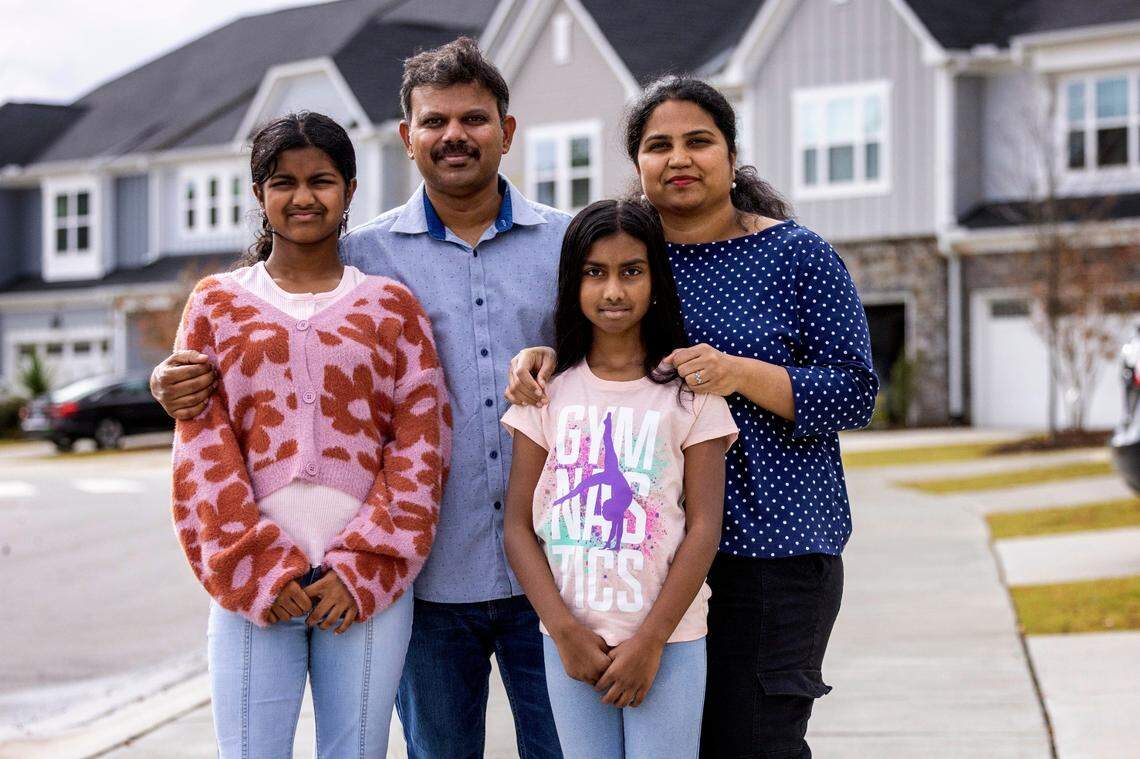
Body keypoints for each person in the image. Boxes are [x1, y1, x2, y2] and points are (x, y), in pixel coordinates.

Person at [151, 38, 566, 758]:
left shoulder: (562, 247)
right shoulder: (340, 269)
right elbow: (217, 420)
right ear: (407, 139)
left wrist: (365, 561)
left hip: (536, 571)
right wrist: (172, 381)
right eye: (435, 122)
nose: (454, 136)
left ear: (507, 129)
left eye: (473, 119)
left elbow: (424, 436)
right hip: (415, 583)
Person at [507, 76, 879, 758]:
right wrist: (541, 355)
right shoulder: (631, 257)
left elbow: (855, 392)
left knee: (753, 744)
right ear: (638, 164)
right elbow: (594, 351)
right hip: (639, 566)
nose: (679, 157)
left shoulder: (797, 255)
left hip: (771, 552)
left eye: (698, 141)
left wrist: (739, 373)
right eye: (659, 145)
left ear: (731, 155)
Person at [169, 111, 450, 758]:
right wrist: (260, 566)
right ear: (258, 194)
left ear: (350, 190)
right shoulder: (215, 304)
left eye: (321, 180)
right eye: (282, 182)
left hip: (364, 585)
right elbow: (202, 451)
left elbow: (421, 442)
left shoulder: (390, 307)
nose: (302, 198)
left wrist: (362, 566)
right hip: (253, 581)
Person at [501, 199, 737, 758]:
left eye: (631, 271)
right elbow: (517, 526)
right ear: (572, 282)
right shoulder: (545, 393)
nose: (613, 291)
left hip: (669, 641)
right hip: (573, 644)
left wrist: (651, 641)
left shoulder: (690, 394)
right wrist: (564, 632)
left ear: (655, 279)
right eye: (595, 273)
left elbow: (704, 529)